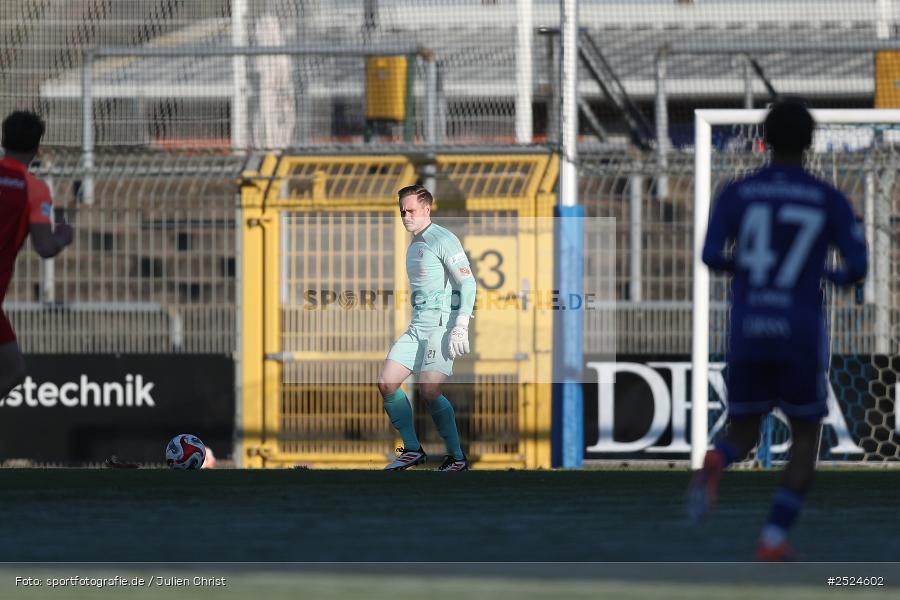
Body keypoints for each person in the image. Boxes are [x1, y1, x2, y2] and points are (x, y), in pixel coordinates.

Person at [688, 100, 868, 560]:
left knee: (744, 429)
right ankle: (772, 539)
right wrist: (825, 276)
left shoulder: (737, 191)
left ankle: (717, 459)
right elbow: (857, 267)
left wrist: (746, 268)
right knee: (806, 438)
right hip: (800, 331)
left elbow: (710, 256)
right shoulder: (827, 197)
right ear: (810, 143)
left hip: (749, 327)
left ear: (763, 140)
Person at [378, 184, 476, 472]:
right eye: (402, 211)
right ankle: (411, 450)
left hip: (441, 327)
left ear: (426, 209)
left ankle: (457, 458)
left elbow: (467, 282)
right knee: (387, 383)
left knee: (429, 389)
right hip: (417, 326)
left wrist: (460, 325)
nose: (406, 216)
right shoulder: (416, 240)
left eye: (411, 210)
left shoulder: (442, 238)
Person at [0, 111, 73, 399]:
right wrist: (63, 236)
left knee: (14, 369)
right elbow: (45, 247)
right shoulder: (34, 190)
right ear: (36, 147)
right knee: (13, 372)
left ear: (3, 140)